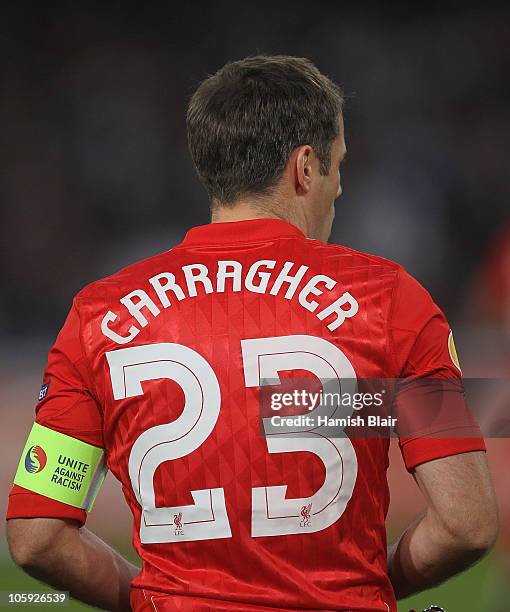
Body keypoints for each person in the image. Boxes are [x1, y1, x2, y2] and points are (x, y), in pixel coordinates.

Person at [6, 56, 498, 612]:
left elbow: (37, 536)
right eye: (338, 164)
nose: (339, 188)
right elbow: (467, 524)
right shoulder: (389, 301)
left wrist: (156, 600)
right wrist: (366, 588)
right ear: (305, 167)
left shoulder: (97, 317)